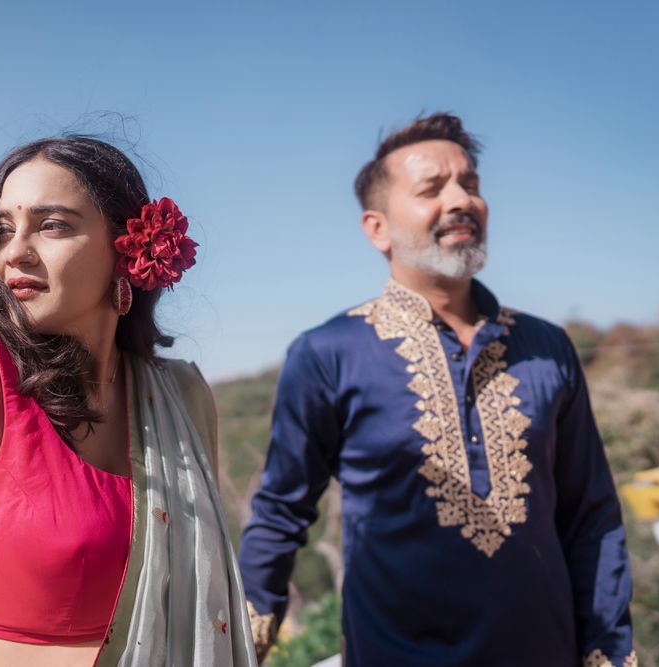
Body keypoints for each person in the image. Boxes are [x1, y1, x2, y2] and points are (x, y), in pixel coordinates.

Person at [0, 136, 258, 667]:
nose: (14, 252)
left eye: (52, 225)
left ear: (129, 247)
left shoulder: (180, 398)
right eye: (2, 230)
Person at [239, 113, 636, 667]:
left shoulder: (547, 347)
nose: (461, 200)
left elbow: (591, 516)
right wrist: (242, 639)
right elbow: (281, 513)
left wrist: (609, 650)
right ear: (377, 229)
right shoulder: (328, 354)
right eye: (432, 188)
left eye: (470, 184)